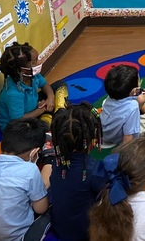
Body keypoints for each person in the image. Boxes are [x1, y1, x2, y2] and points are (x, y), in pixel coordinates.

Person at [0, 118, 51, 241]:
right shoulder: (29, 170)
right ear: (34, 153)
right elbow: (41, 208)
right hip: (16, 237)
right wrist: (49, 162)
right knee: (50, 209)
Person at [49, 102, 106, 241]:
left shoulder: (57, 163)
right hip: (86, 234)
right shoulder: (94, 170)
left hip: (59, 227)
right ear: (91, 139)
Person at [0, 41, 68, 130]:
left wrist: (50, 98)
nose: (38, 63)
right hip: (19, 125)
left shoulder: (32, 74)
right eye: (34, 62)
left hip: (35, 108)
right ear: (21, 70)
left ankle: (58, 113)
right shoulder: (13, 93)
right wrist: (41, 110)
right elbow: (18, 120)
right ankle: (49, 118)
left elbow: (45, 85)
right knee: (42, 128)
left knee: (60, 85)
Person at [100, 64, 145, 145]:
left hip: (106, 133)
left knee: (139, 100)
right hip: (120, 138)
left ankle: (141, 105)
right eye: (139, 80)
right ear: (135, 90)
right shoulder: (132, 106)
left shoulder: (111, 96)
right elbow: (128, 137)